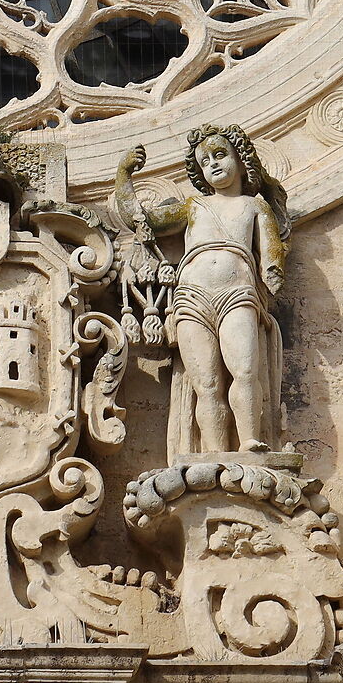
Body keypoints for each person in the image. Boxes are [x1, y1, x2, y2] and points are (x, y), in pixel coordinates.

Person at [118, 125, 289, 456]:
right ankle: (213, 450)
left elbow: (271, 251)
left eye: (220, 155)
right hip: (192, 297)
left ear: (241, 161)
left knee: (244, 370)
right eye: (204, 160)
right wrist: (124, 174)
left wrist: (272, 273)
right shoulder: (193, 206)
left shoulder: (254, 206)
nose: (212, 164)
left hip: (237, 292)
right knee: (206, 384)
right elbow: (141, 219)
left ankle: (250, 439)